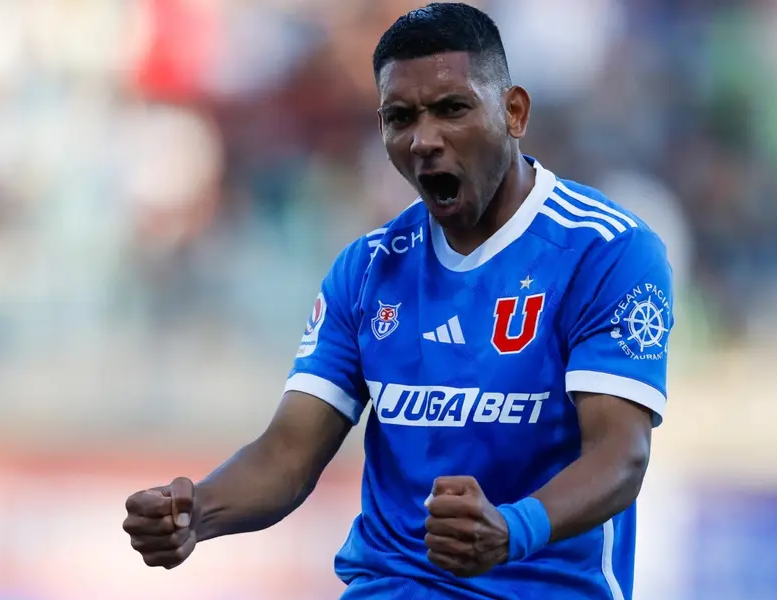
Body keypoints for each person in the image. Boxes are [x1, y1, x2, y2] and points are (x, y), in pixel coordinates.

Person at [122, 3, 673, 598]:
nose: (424, 140)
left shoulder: (606, 251)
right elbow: (287, 454)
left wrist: (513, 528)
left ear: (513, 112)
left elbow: (621, 455)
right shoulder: (367, 270)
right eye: (400, 118)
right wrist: (197, 512)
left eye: (452, 109)